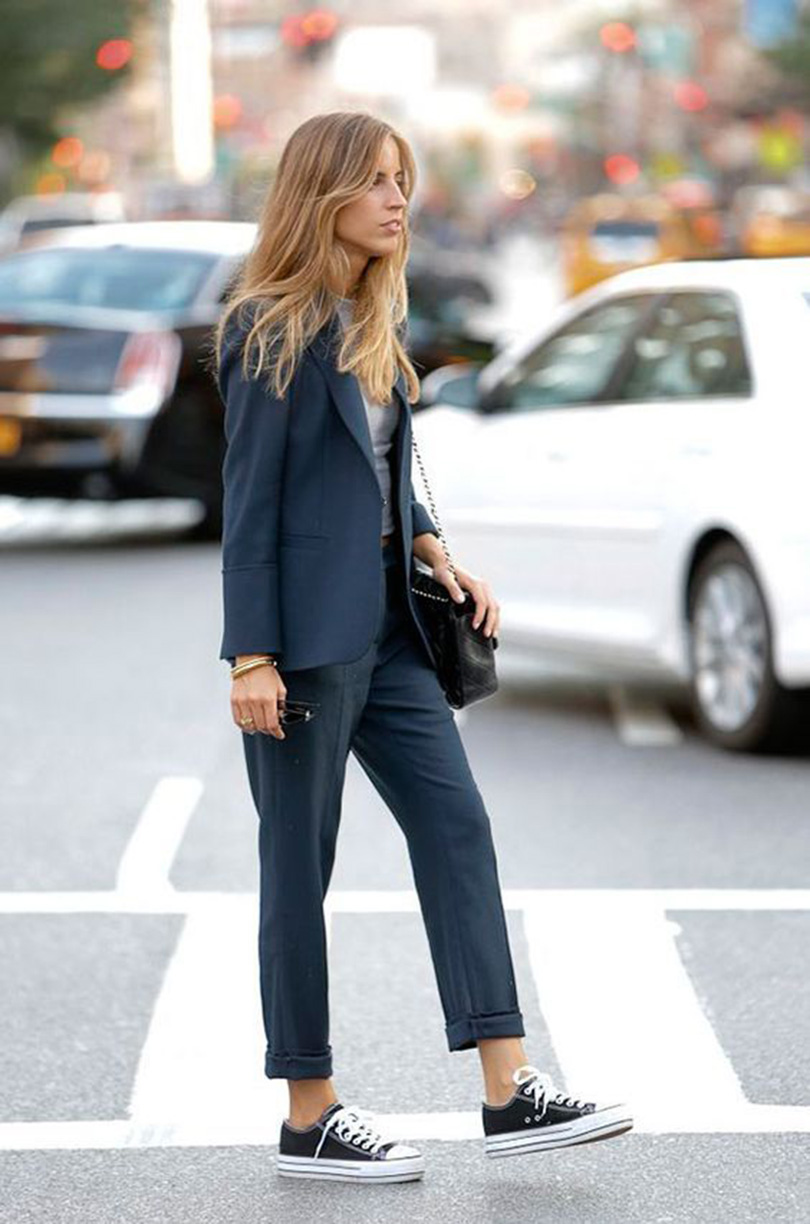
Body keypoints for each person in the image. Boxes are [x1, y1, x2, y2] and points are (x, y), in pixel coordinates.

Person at [210, 111, 632, 1183]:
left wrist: (438, 548)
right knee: (296, 869)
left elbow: (396, 468)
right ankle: (309, 1112)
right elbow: (249, 505)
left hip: (395, 626)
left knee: (458, 827)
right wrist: (248, 655)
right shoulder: (269, 326)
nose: (401, 201)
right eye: (380, 184)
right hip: (303, 645)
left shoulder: (371, 318)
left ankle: (509, 1089)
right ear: (325, 196)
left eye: (405, 181)